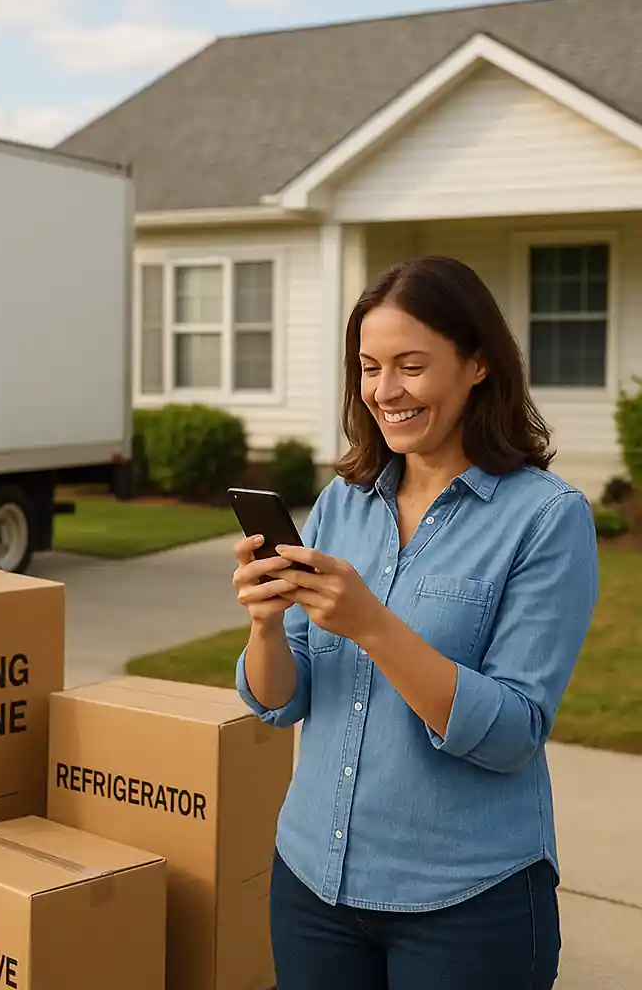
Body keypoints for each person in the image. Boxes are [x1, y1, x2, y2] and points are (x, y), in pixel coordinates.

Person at [232, 256, 600, 990]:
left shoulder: (546, 519)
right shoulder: (345, 502)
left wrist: (374, 625)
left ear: (477, 365)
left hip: (468, 905)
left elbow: (514, 730)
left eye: (410, 365)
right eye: (369, 367)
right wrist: (266, 625)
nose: (385, 391)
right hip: (313, 884)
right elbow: (281, 701)